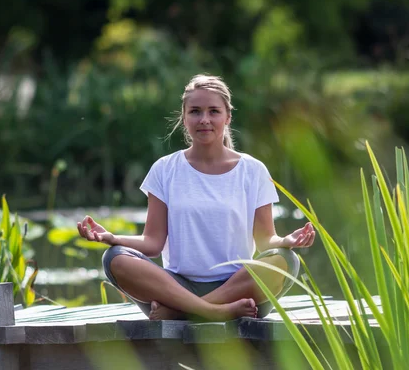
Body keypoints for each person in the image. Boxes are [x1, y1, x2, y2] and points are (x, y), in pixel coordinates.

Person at [77, 74, 315, 321]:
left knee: (287, 260)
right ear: (184, 117)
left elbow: (266, 241)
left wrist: (286, 240)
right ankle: (212, 312)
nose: (204, 120)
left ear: (228, 117)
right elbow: (153, 242)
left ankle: (184, 313)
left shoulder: (253, 171)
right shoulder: (164, 169)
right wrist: (113, 238)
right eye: (195, 112)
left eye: (213, 111)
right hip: (176, 288)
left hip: (236, 288)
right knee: (114, 258)